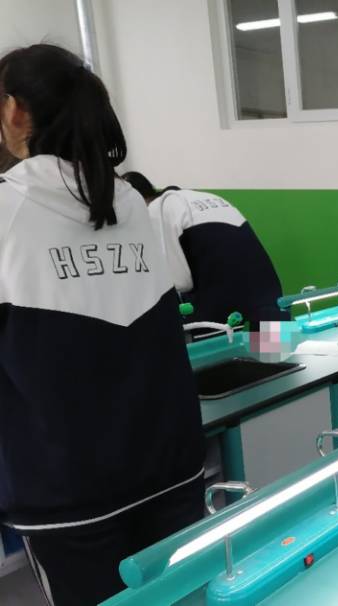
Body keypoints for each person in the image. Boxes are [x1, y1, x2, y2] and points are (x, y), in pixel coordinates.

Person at [0, 45, 204, 604]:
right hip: (169, 465)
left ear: (15, 110)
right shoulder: (129, 199)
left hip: (69, 492)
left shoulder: (8, 209)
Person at [122, 172, 288, 327]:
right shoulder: (200, 197)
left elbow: (181, 282)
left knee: (208, 342)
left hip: (224, 305)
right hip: (270, 294)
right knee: (276, 347)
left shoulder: (156, 211)